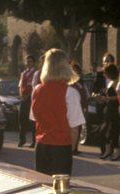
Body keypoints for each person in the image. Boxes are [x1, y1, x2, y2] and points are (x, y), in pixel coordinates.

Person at [29, 48, 86, 176]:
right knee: (61, 191)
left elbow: (34, 120)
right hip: (61, 146)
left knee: (43, 188)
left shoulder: (36, 90)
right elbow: (74, 128)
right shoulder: (71, 93)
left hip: (41, 146)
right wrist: (71, 147)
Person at [95, 63, 120, 161]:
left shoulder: (115, 82)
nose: (104, 74)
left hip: (115, 108)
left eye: (105, 72)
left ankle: (117, 151)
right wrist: (106, 104)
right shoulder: (110, 82)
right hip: (110, 107)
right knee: (104, 130)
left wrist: (107, 98)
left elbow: (119, 96)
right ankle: (108, 150)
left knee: (114, 129)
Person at [69, 61, 89, 154]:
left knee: (79, 129)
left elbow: (87, 97)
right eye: (74, 71)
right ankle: (71, 148)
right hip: (72, 110)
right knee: (72, 129)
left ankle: (75, 148)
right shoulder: (69, 84)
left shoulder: (83, 84)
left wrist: (86, 110)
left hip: (81, 109)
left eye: (78, 71)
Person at [18, 55, 37, 147]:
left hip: (31, 98)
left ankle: (34, 141)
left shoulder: (35, 73)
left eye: (30, 61)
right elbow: (20, 86)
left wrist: (28, 96)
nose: (28, 63)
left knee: (32, 121)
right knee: (22, 120)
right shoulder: (23, 73)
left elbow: (34, 87)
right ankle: (22, 140)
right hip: (24, 99)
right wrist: (22, 96)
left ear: (33, 62)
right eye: (27, 61)